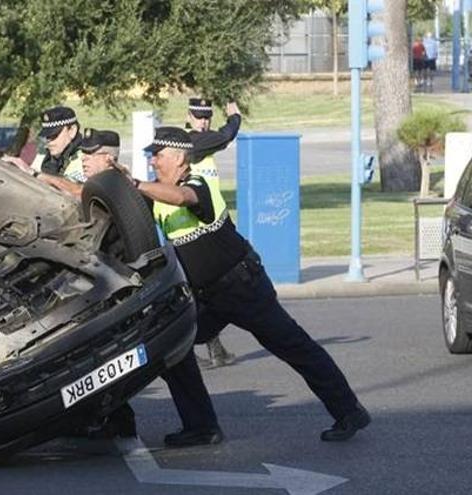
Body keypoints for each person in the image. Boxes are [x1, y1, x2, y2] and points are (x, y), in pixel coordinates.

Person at [133, 124, 370, 448]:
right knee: (174, 349)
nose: (153, 163)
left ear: (178, 158)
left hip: (242, 286)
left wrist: (136, 184)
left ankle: (349, 411)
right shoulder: (157, 196)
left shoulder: (199, 182)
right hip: (208, 296)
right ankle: (202, 427)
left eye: (158, 156)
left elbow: (183, 197)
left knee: (293, 345)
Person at [183, 97, 238, 369]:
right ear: (188, 116)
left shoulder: (203, 144)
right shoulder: (194, 142)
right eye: (198, 116)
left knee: (208, 288)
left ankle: (215, 349)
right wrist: (235, 117)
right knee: (207, 288)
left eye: (206, 117)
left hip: (213, 223)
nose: (203, 121)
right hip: (198, 228)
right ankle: (191, 347)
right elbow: (227, 135)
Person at [37, 128, 127, 197]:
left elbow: (77, 191)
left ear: (109, 158)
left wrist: (37, 175)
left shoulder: (112, 181)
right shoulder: (105, 180)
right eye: (84, 153)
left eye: (90, 153)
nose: (84, 158)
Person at [5, 106, 84, 182]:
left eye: (54, 136)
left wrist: (33, 173)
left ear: (72, 131)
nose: (49, 142)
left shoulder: (84, 159)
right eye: (47, 137)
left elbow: (73, 190)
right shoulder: (52, 158)